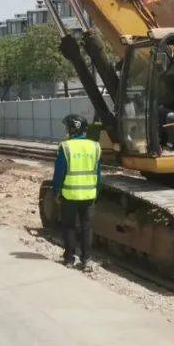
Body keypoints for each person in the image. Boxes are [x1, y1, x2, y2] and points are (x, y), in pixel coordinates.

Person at [51, 113, 101, 271]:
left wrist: (55, 191)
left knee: (69, 226)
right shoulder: (95, 146)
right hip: (88, 195)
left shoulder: (65, 147)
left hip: (70, 195)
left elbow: (59, 173)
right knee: (86, 227)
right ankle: (86, 260)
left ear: (73, 129)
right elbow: (98, 174)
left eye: (68, 127)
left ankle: (69, 259)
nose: (66, 130)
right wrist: (96, 192)